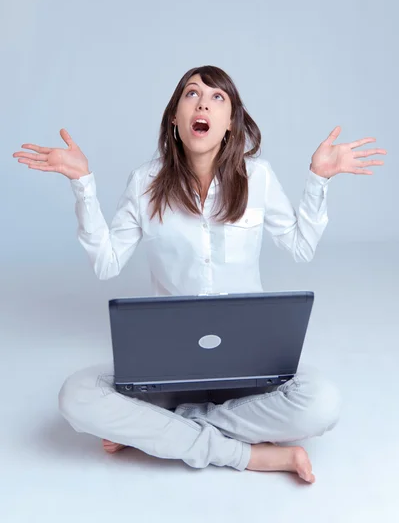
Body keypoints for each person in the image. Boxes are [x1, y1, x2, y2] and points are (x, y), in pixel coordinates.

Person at [13, 65, 387, 483]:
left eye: (217, 97)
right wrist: (83, 184)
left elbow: (300, 246)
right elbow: (106, 262)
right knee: (77, 397)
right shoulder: (145, 182)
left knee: (322, 403)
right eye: (191, 94)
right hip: (167, 369)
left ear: (231, 123)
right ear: (175, 117)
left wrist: (319, 179)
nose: (203, 102)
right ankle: (252, 456)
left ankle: (163, 431)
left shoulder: (258, 177)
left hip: (249, 365)